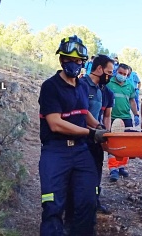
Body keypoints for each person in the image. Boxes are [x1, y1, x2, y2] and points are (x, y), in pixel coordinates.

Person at [38, 35, 108, 235]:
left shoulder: (82, 85)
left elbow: (83, 112)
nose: (75, 64)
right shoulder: (50, 87)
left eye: (79, 61)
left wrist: (100, 126)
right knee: (52, 205)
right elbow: (56, 124)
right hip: (55, 151)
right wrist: (91, 133)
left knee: (87, 201)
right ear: (61, 60)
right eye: (70, 59)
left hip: (80, 151)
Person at [64, 54, 115, 225]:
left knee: (95, 172)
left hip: (96, 139)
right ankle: (70, 214)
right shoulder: (80, 85)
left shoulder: (105, 90)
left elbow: (105, 115)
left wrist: (105, 133)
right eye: (109, 72)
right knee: (74, 177)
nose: (111, 76)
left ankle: (93, 201)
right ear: (99, 69)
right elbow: (81, 114)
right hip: (79, 138)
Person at [105, 63, 140, 182]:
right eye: (120, 73)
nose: (122, 76)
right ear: (116, 72)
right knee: (113, 144)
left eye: (125, 74)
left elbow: (132, 101)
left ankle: (122, 166)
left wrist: (136, 114)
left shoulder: (129, 85)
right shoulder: (109, 83)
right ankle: (113, 168)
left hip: (126, 117)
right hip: (112, 117)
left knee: (126, 144)